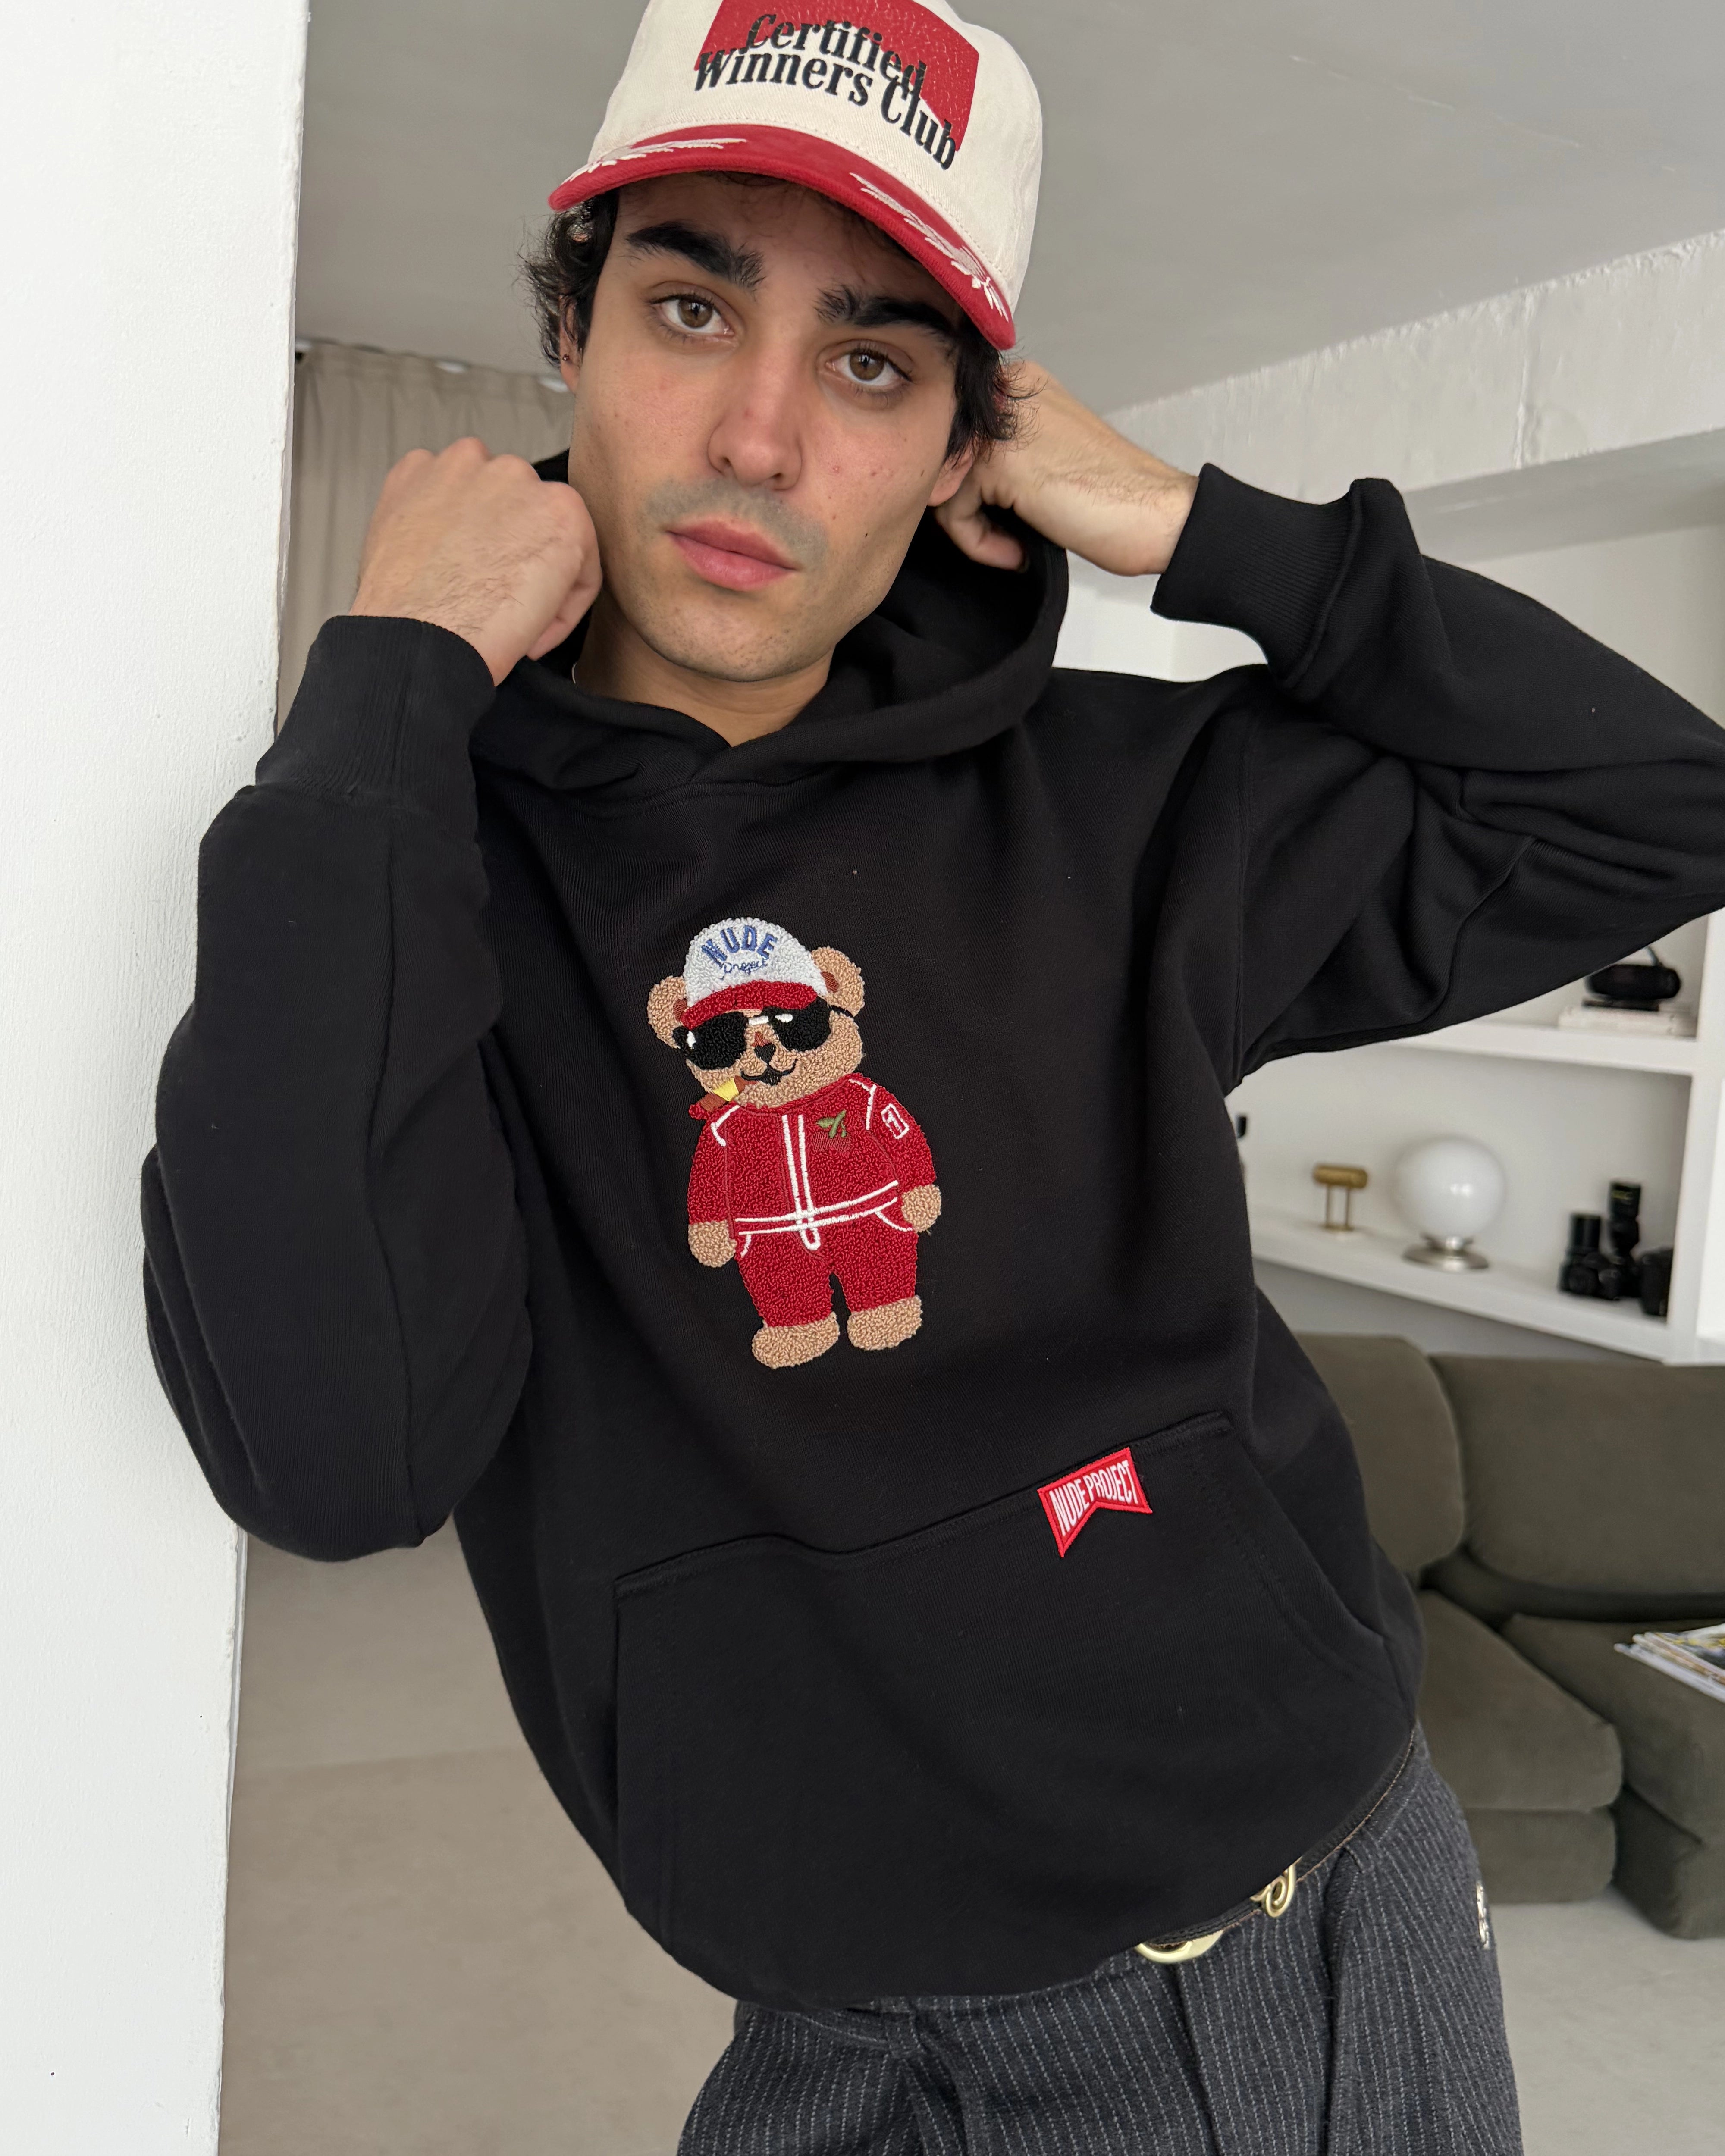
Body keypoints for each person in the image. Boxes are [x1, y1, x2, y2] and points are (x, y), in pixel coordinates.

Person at [142, 0, 1725, 2147]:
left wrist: (1203, 528)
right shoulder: (412, 861)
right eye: (690, 307)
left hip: (1311, 1892)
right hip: (852, 2010)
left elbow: (1658, 807)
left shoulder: (1129, 805)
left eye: (872, 363)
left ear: (962, 441)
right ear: (571, 336)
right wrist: (390, 685)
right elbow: (334, 1462)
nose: (760, 436)